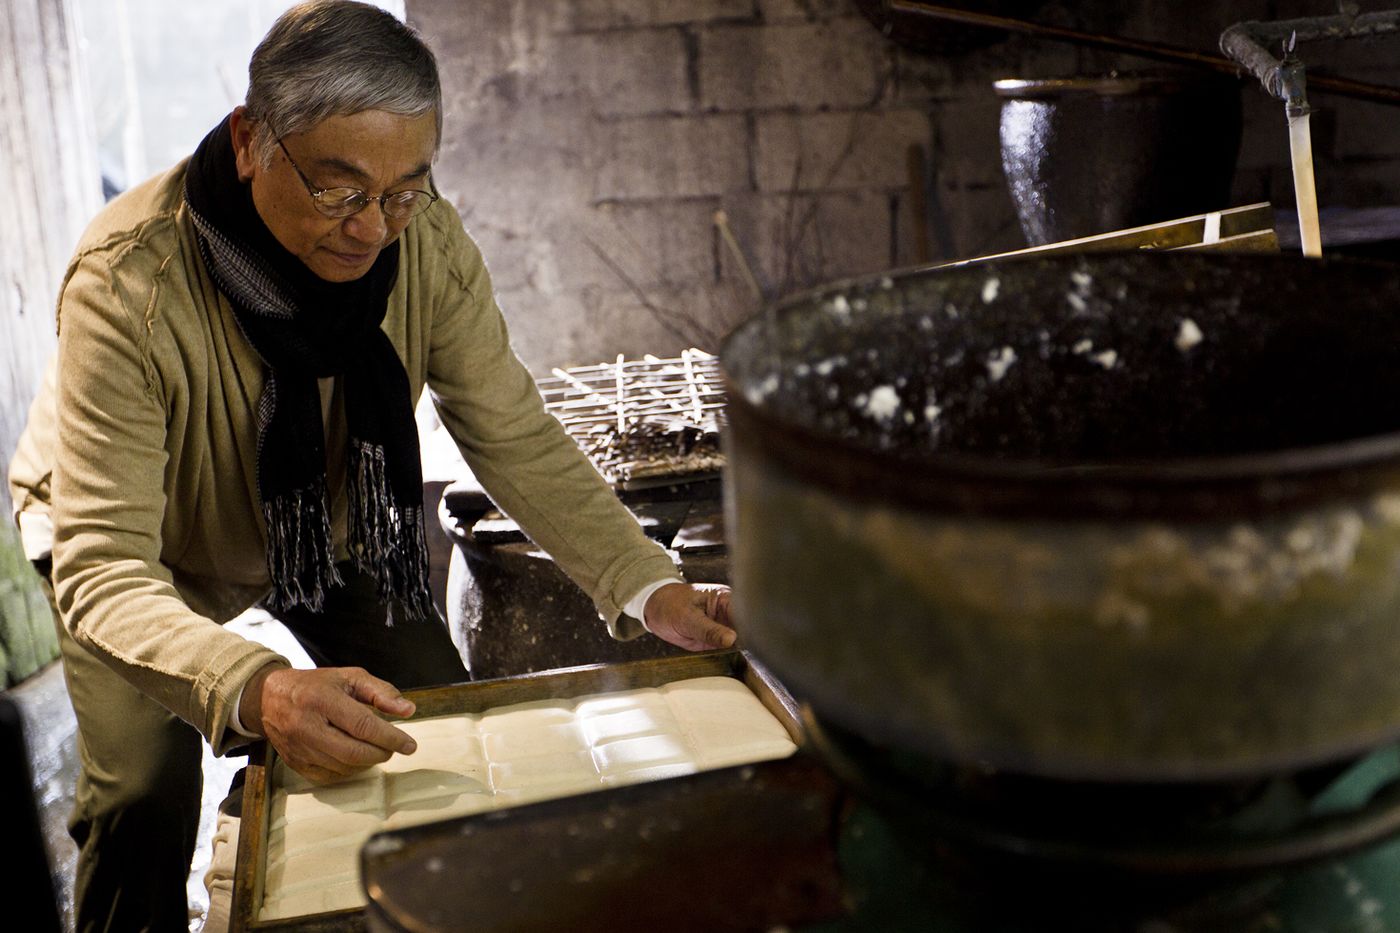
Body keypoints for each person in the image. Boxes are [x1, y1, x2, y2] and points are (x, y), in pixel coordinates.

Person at [7, 3, 736, 929]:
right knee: (142, 796)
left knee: (436, 721)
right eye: (339, 190)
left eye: (404, 191)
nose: (372, 229)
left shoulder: (424, 243)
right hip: (144, 554)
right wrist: (256, 686)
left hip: (325, 524)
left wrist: (650, 585)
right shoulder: (129, 285)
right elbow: (105, 567)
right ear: (250, 141)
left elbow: (513, 432)